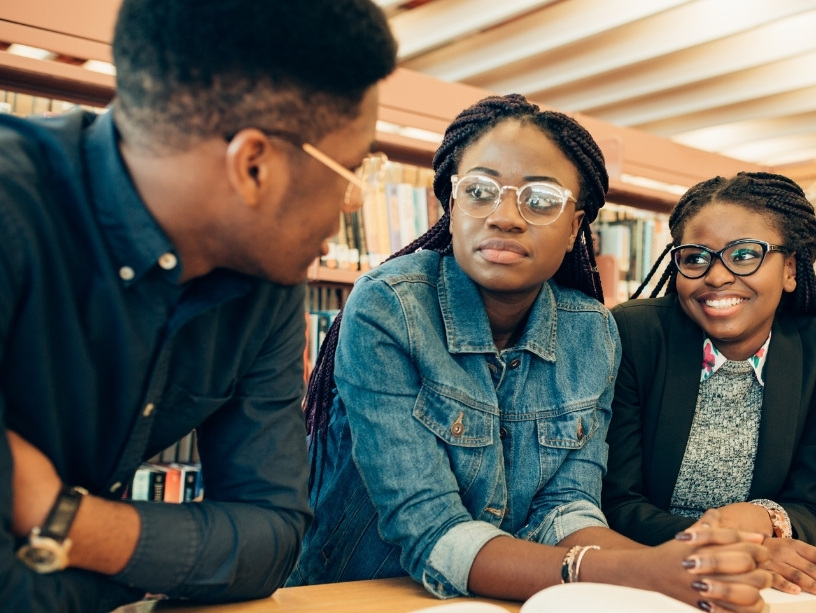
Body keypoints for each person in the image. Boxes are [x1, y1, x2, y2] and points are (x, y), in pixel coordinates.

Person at [287, 94, 771, 612]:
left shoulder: (592, 334)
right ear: (451, 207)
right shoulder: (389, 309)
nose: (506, 218)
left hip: (510, 599)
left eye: (540, 201)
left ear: (573, 229)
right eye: (480, 191)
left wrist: (680, 573)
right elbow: (430, 527)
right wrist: (640, 571)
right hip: (353, 593)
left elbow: (567, 510)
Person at [0, 0, 397, 611]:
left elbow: (271, 540)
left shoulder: (264, 274)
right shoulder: (14, 217)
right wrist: (159, 563)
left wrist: (66, 523)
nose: (352, 203)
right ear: (254, 166)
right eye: (352, 169)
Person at [602, 172, 816, 595]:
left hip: (769, 586)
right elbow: (616, 502)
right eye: (696, 258)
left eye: (743, 255)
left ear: (790, 268)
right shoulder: (633, 336)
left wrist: (764, 521)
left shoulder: (813, 354)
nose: (716, 276)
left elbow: (811, 501)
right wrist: (739, 549)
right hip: (649, 571)